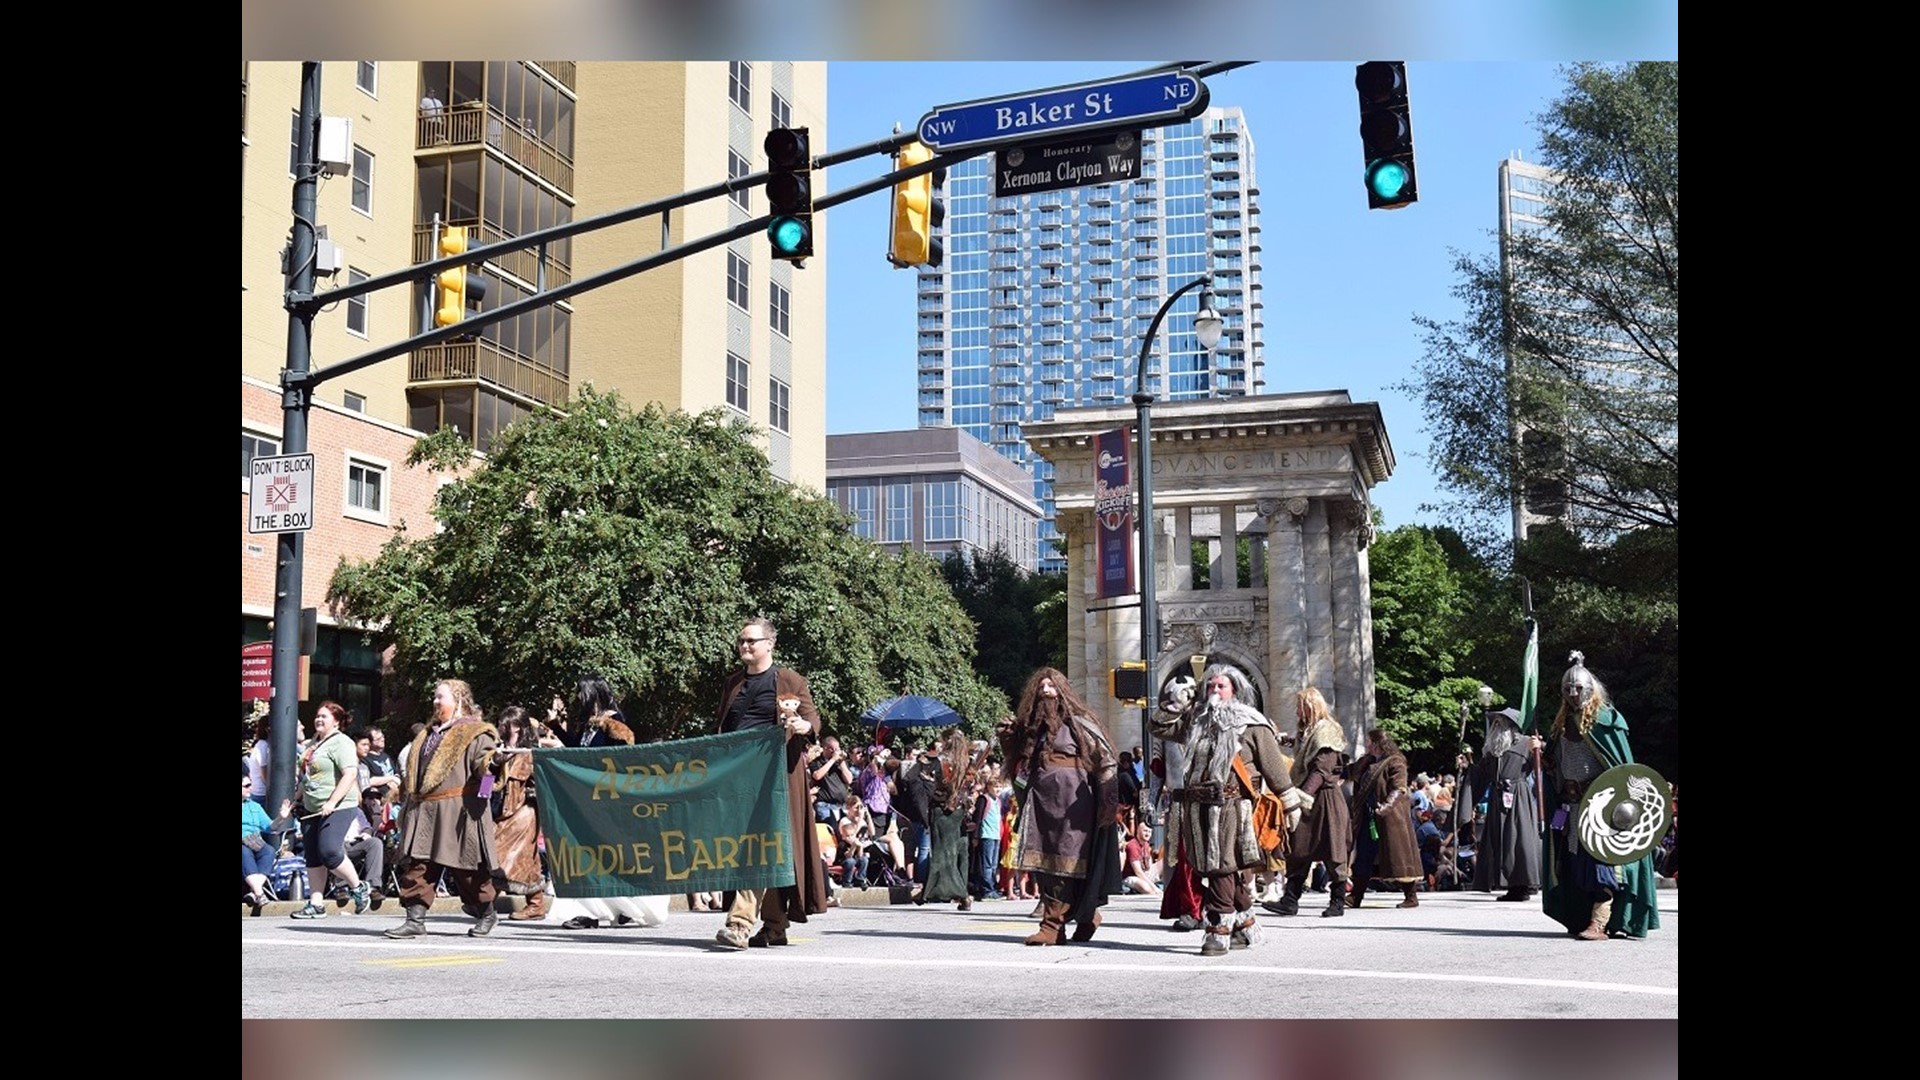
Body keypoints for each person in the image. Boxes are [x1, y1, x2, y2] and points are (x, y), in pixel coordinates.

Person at [1154, 664, 1299, 956]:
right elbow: (1157, 727)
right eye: (1210, 686)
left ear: (1234, 690)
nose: (1215, 692)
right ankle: (1246, 926)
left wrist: (1290, 801)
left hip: (1232, 807)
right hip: (1197, 808)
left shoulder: (1251, 723)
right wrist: (1177, 703)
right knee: (1214, 867)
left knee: (1221, 865)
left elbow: (1273, 765)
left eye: (1221, 686)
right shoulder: (1196, 721)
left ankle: (1218, 931)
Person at [712, 617, 829, 950]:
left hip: (777, 778)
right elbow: (722, 727)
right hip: (738, 779)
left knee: (758, 846)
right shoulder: (732, 683)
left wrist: (804, 726)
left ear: (769, 644)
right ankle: (775, 924)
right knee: (769, 850)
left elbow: (812, 719)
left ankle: (739, 923)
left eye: (751, 640)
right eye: (741, 641)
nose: (745, 646)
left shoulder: (790, 680)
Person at [1541, 652, 1661, 940]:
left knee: (1602, 864)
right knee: (1572, 866)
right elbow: (1558, 773)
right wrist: (1547, 763)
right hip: (1569, 808)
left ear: (1590, 689)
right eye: (1568, 689)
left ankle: (1600, 922)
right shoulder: (1559, 727)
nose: (1573, 693)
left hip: (1601, 808)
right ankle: (1584, 917)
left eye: (1578, 688)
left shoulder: (1605, 722)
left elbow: (1620, 768)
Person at [997, 667, 1118, 946]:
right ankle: (1083, 917)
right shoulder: (1032, 730)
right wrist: (1008, 740)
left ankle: (1053, 925)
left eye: (1051, 687)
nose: (1046, 691)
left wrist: (1108, 801)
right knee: (1043, 863)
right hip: (1040, 804)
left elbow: (1106, 760)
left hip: (1073, 804)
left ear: (1062, 691)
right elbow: (1019, 769)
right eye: (1041, 688)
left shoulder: (1080, 724)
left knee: (1068, 863)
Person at [549, 676, 669, 931]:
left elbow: (620, 762)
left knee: (611, 856)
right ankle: (590, 912)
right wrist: (556, 727)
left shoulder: (615, 723)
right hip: (587, 800)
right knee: (589, 855)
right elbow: (576, 750)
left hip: (608, 801)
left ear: (594, 695)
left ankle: (625, 907)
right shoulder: (588, 725)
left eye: (582, 694)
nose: (578, 700)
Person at [385, 680, 501, 939]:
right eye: (435, 697)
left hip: (458, 810)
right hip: (425, 811)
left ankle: (486, 911)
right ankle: (415, 919)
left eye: (441, 698)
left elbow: (485, 765)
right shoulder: (428, 733)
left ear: (458, 700)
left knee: (468, 870)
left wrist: (491, 768)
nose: (436, 702)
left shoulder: (475, 733)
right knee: (419, 865)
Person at [1264, 686, 1353, 919]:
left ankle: (1337, 902)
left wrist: (1300, 798)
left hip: (1325, 798)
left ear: (1310, 706)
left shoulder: (1328, 731)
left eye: (1300, 706)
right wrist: (1280, 738)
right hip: (1309, 796)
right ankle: (1290, 900)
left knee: (1333, 849)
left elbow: (1321, 768)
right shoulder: (1311, 731)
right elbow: (1303, 746)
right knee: (1299, 848)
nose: (1296, 711)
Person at [288, 701, 375, 919]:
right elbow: (306, 778)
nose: (318, 719)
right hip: (311, 808)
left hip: (338, 806)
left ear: (336, 721)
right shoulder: (312, 744)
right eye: (317, 716)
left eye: (324, 717)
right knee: (313, 856)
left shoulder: (341, 743)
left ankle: (358, 887)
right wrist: (295, 799)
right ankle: (316, 904)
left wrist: (332, 802)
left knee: (329, 851)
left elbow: (349, 774)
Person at [1467, 707, 1543, 901]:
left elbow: (1545, 765)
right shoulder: (1492, 749)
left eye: (1500, 720)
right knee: (1501, 839)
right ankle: (1510, 884)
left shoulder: (1527, 743)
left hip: (1518, 796)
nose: (1496, 724)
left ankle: (1524, 884)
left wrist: (1539, 748)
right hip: (1498, 797)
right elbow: (1481, 774)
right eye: (1495, 721)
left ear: (1511, 725)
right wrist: (1467, 767)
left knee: (1520, 840)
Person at [1347, 728, 1425, 910]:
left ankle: (1411, 896)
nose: (1366, 744)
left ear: (1376, 743)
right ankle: (1355, 896)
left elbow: (1399, 788)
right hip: (1368, 816)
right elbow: (1347, 771)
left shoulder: (1395, 762)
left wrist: (1387, 805)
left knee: (1398, 857)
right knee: (1364, 857)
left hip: (1390, 819)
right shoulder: (1367, 762)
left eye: (1368, 741)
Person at [919, 729, 988, 911]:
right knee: (952, 851)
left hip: (943, 809)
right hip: (959, 810)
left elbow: (927, 780)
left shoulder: (941, 761)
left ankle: (960, 894)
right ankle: (938, 891)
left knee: (944, 852)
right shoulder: (967, 763)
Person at [491, 707, 549, 922]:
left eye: (507, 725)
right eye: (502, 724)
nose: (503, 728)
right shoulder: (500, 751)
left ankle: (485, 903)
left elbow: (542, 783)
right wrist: (495, 762)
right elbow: (487, 781)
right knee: (526, 859)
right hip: (502, 810)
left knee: (499, 854)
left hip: (525, 811)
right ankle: (536, 904)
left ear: (519, 727)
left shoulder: (531, 753)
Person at [242, 776, 293, 914]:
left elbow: (270, 827)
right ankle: (260, 893)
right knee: (244, 852)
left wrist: (281, 817)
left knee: (269, 851)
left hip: (254, 840)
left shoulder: (254, 806)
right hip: (243, 843)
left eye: (250, 785)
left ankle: (255, 893)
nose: (250, 788)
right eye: (246, 786)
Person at [811, 734, 855, 824]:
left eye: (838, 749)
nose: (837, 752)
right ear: (826, 748)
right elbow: (817, 776)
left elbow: (849, 780)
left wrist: (842, 762)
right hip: (826, 805)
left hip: (842, 805)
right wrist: (833, 760)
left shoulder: (840, 763)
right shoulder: (816, 762)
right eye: (834, 749)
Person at [1122, 819, 1162, 896]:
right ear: (1138, 831)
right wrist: (1153, 887)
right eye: (1145, 831)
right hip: (1132, 876)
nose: (1148, 834)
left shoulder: (1146, 844)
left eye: (1150, 832)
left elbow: (1148, 866)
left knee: (1166, 862)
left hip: (1144, 873)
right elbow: (1138, 872)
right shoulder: (1133, 845)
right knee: (1148, 889)